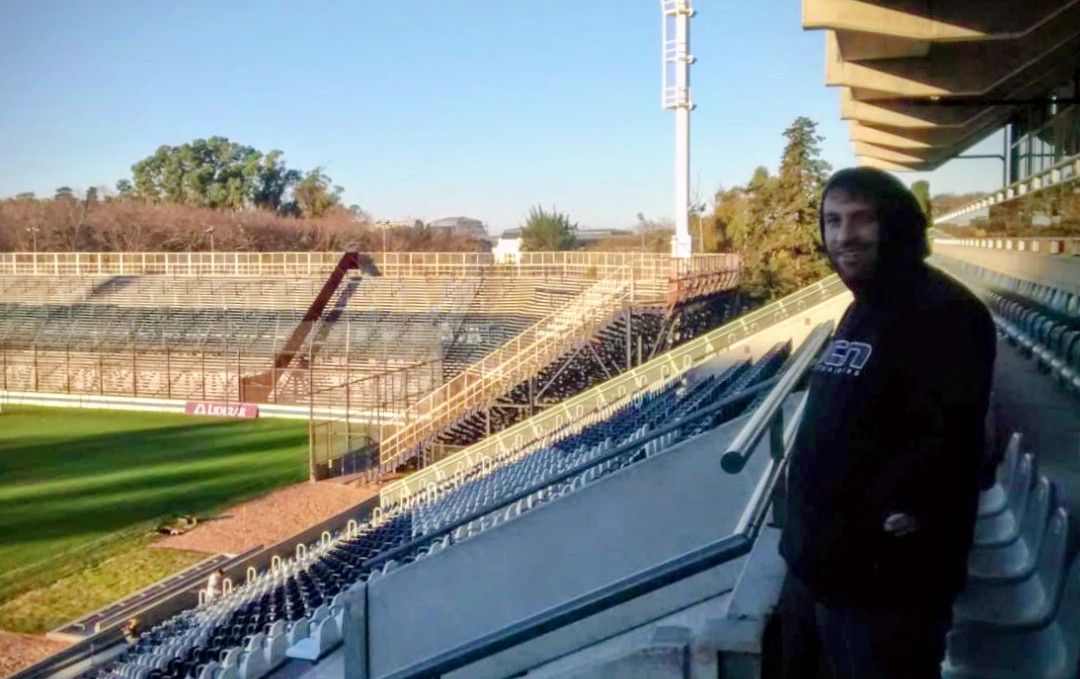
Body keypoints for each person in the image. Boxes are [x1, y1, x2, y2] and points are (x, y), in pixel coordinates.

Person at [778, 167, 996, 678]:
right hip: (825, 571)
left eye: (860, 220)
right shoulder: (862, 308)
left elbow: (951, 444)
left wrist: (894, 523)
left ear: (896, 225)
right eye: (832, 221)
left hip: (884, 588)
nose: (843, 236)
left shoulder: (944, 312)